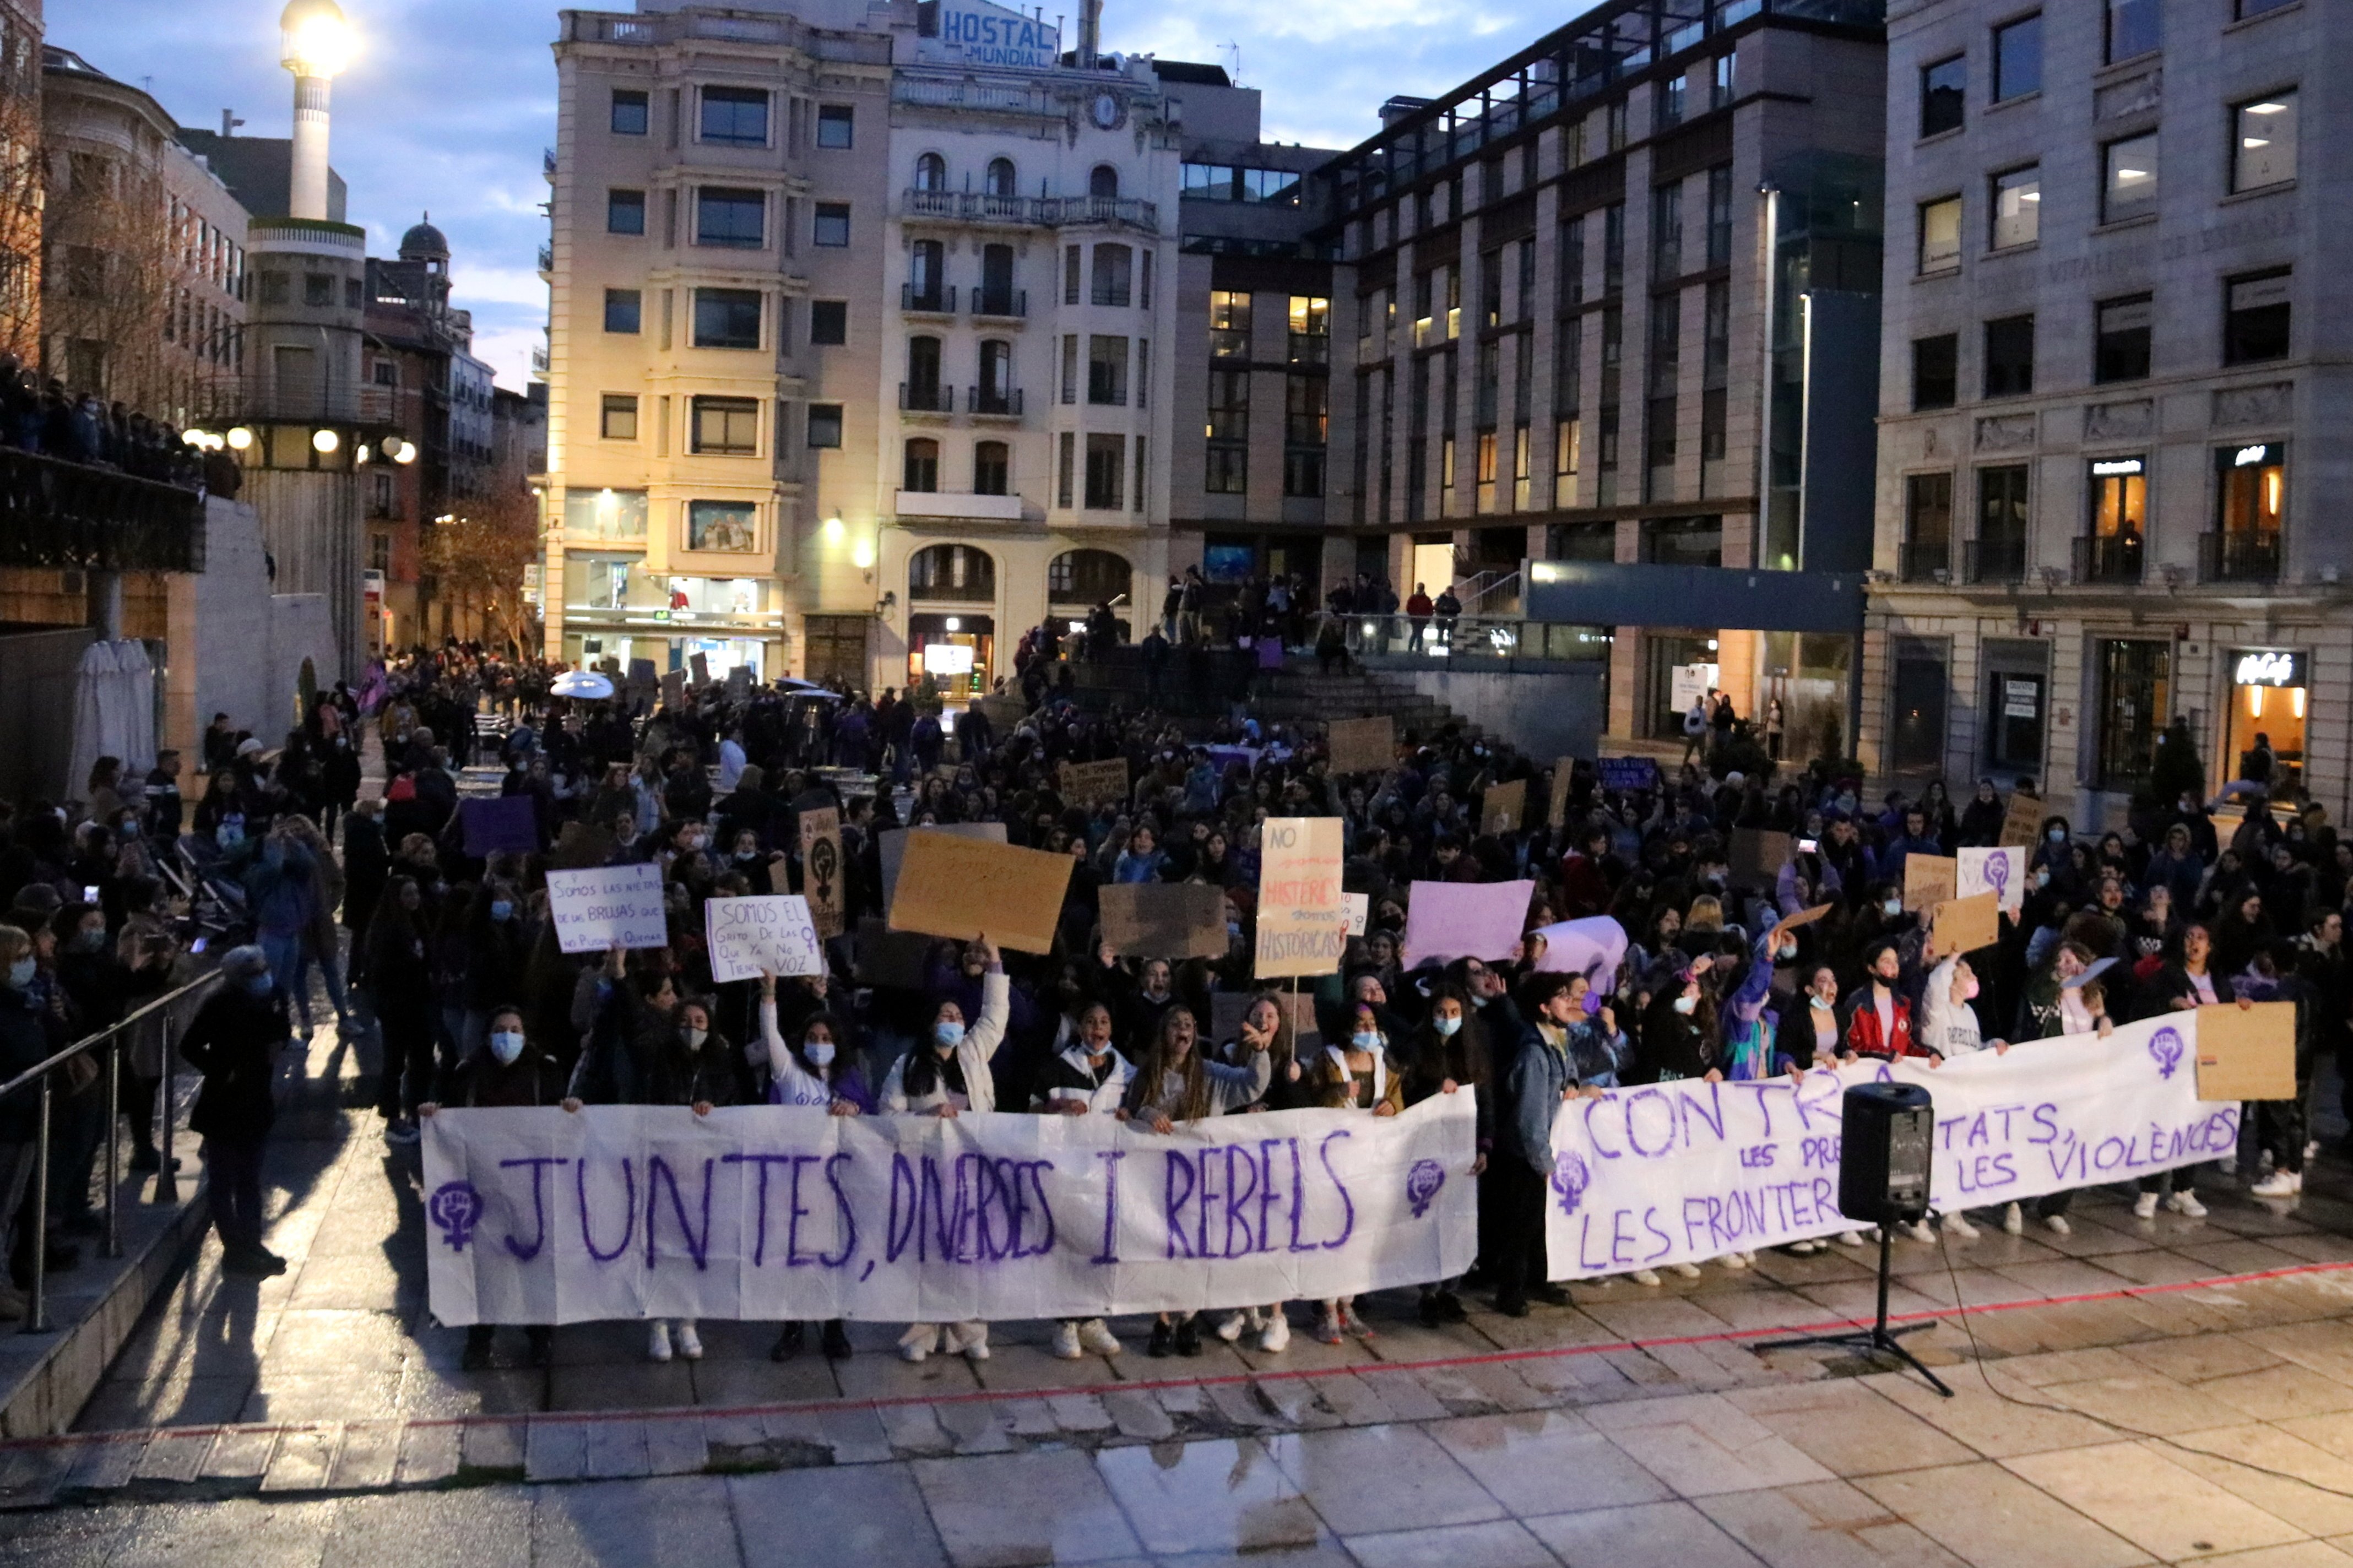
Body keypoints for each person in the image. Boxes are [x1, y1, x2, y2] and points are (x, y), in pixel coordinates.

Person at [880, 935, 1011, 1364]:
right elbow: (887, 1116)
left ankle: (969, 1332)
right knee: (928, 1255)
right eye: (946, 1014)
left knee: (970, 1254)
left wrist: (994, 961)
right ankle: (922, 1333)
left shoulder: (973, 1053)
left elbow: (995, 1015)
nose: (953, 1018)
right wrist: (925, 1119)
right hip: (926, 1174)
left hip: (972, 1174)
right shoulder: (908, 1066)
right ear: (931, 1023)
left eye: (958, 1014)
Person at [1120, 1005, 1270, 1355]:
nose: (1182, 1030)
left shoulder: (1212, 1075)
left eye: (1189, 1024)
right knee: (1159, 1249)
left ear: (1195, 1032)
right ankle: (1162, 1320)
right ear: (1165, 1032)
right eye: (1176, 1024)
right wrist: (1145, 1113)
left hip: (1200, 1181)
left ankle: (1188, 1318)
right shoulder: (1146, 1075)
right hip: (1155, 1180)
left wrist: (1260, 1052)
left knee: (1193, 1250)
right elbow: (1127, 1115)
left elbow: (1251, 1087)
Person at [419, 1006, 560, 1369]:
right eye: (501, 1029)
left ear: (526, 1035)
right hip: (481, 1185)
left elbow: (559, 1117)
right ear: (487, 1035)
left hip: (532, 1186)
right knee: (484, 1264)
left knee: (534, 1263)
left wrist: (571, 1109)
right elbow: (451, 1115)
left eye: (515, 1028)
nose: (508, 1036)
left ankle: (540, 1337)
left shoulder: (544, 1069)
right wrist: (436, 1114)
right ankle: (480, 1341)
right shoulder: (467, 1073)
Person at [178, 945, 291, 1276]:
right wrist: (222, 1070)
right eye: (253, 973)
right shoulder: (219, 1002)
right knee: (224, 1177)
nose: (262, 977)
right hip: (225, 1101)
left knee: (251, 1178)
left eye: (263, 970)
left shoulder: (273, 995)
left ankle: (252, 1241)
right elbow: (190, 1045)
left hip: (257, 1096)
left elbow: (281, 1031)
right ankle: (235, 1247)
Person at [1032, 1000, 1129, 1361]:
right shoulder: (1057, 1069)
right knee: (1066, 1244)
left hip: (1108, 1176)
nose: (1098, 1028)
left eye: (1104, 1021)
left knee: (1099, 1246)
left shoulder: (1125, 1072)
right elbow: (1028, 1112)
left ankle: (1092, 1318)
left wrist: (1128, 1112)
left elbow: (1136, 1110)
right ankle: (1065, 1322)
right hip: (1066, 1171)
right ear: (1081, 1029)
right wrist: (1054, 1109)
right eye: (1091, 1021)